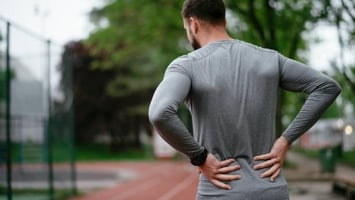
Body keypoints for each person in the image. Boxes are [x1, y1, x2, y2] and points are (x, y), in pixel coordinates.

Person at [148, 0, 341, 199]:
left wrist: (200, 157)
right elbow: (327, 87)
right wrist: (285, 140)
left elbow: (160, 113)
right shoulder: (270, 59)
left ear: (193, 24)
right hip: (272, 190)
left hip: (221, 192)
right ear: (225, 20)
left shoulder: (187, 66)